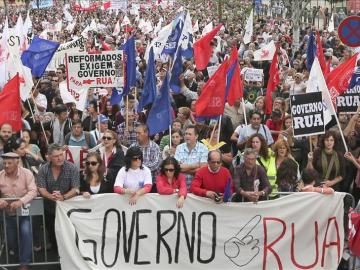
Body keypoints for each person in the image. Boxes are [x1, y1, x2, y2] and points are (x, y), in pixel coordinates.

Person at [37, 144, 80, 252]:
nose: (60, 158)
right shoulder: (43, 169)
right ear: (49, 157)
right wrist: (51, 196)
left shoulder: (72, 168)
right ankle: (57, 256)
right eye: (56, 156)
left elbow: (75, 188)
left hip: (67, 208)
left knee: (68, 234)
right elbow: (41, 188)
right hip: (49, 208)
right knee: (52, 232)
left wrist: (63, 197)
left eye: (61, 155)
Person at [0, 152, 37, 270]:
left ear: (17, 163)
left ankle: (24, 263)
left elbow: (33, 191)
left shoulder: (27, 173)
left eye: (9, 163)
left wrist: (20, 201)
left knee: (25, 232)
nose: (6, 165)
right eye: (4, 163)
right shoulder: (0, 175)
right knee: (11, 238)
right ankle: (16, 253)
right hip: (7, 212)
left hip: (24, 211)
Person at [131, 124, 161, 190]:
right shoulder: (132, 147)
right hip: (134, 184)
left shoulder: (155, 147)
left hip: (152, 184)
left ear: (146, 133)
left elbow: (155, 165)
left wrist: (138, 166)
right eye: (136, 133)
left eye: (139, 133)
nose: (137, 135)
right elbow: (128, 162)